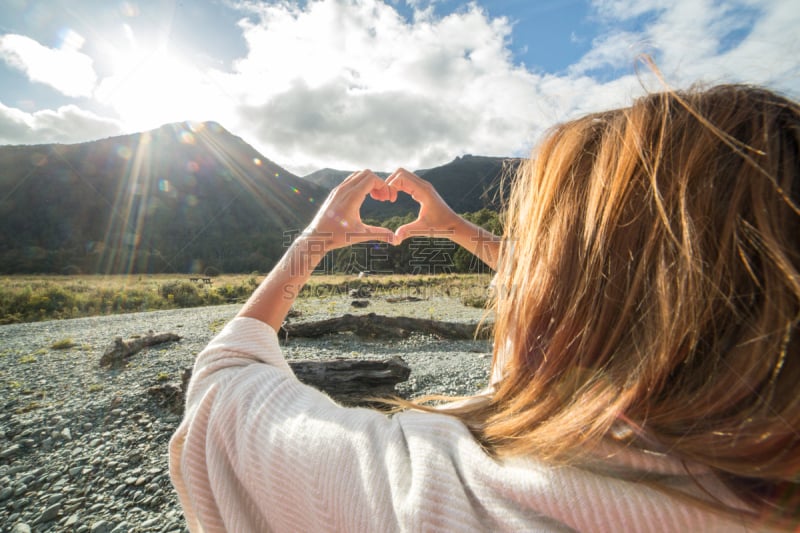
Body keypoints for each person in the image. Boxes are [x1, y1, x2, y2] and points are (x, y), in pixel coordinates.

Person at [169, 84, 800, 532]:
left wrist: (314, 242)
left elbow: (223, 386)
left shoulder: (440, 500)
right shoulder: (758, 487)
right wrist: (455, 228)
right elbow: (597, 296)